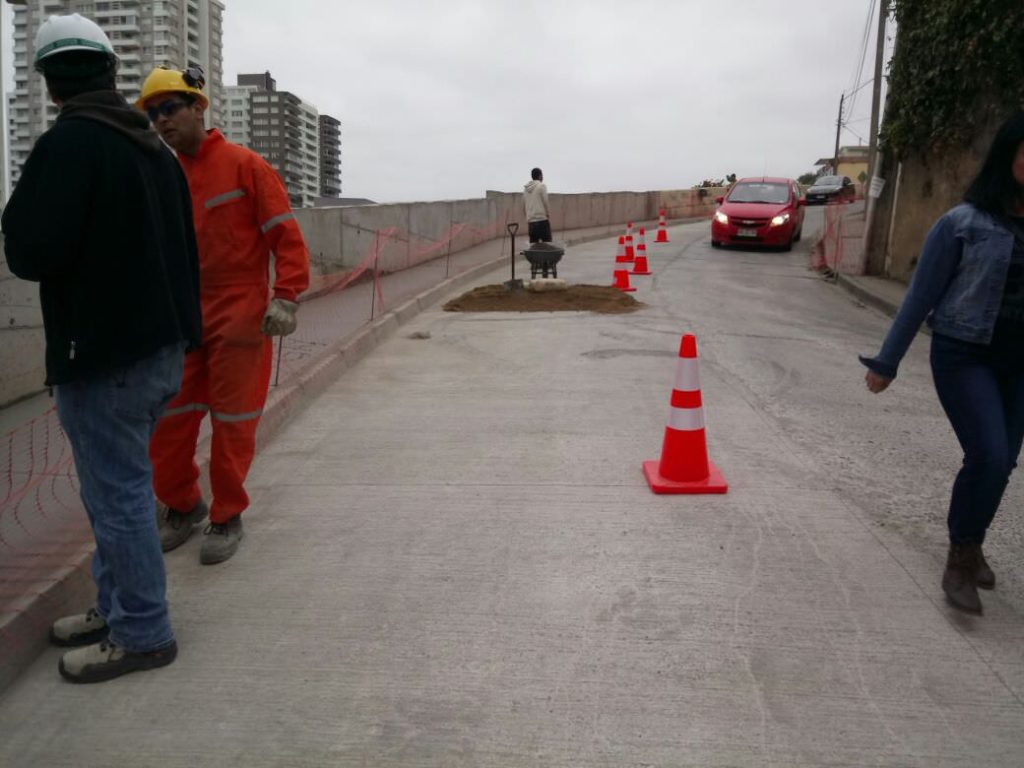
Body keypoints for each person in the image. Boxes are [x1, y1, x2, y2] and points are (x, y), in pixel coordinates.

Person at [1, 14, 202, 682]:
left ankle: (145, 633)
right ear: (111, 71)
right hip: (159, 350)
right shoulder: (152, 147)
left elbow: (30, 251)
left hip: (105, 358)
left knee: (116, 499)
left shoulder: (71, 146)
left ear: (51, 84)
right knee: (120, 493)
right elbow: (183, 250)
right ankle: (117, 609)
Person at [138, 66, 311, 565]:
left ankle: (226, 515)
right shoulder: (164, 176)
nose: (162, 121)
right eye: (153, 114)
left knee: (233, 424)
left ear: (198, 108)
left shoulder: (245, 166)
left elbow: (286, 236)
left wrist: (286, 295)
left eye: (170, 109)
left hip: (239, 314)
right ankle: (184, 505)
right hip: (183, 318)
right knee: (169, 423)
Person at [860, 111, 1024, 615]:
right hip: (964, 353)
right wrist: (887, 361)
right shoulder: (961, 224)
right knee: (990, 455)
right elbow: (919, 297)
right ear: (1009, 157)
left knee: (1002, 464)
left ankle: (972, 546)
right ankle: (960, 556)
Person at [524, 167, 552, 243]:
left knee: (534, 248)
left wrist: (528, 217)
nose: (543, 177)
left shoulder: (526, 189)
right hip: (542, 221)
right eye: (542, 175)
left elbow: (524, 204)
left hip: (531, 223)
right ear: (540, 176)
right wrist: (548, 214)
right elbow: (545, 201)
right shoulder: (541, 186)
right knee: (547, 246)